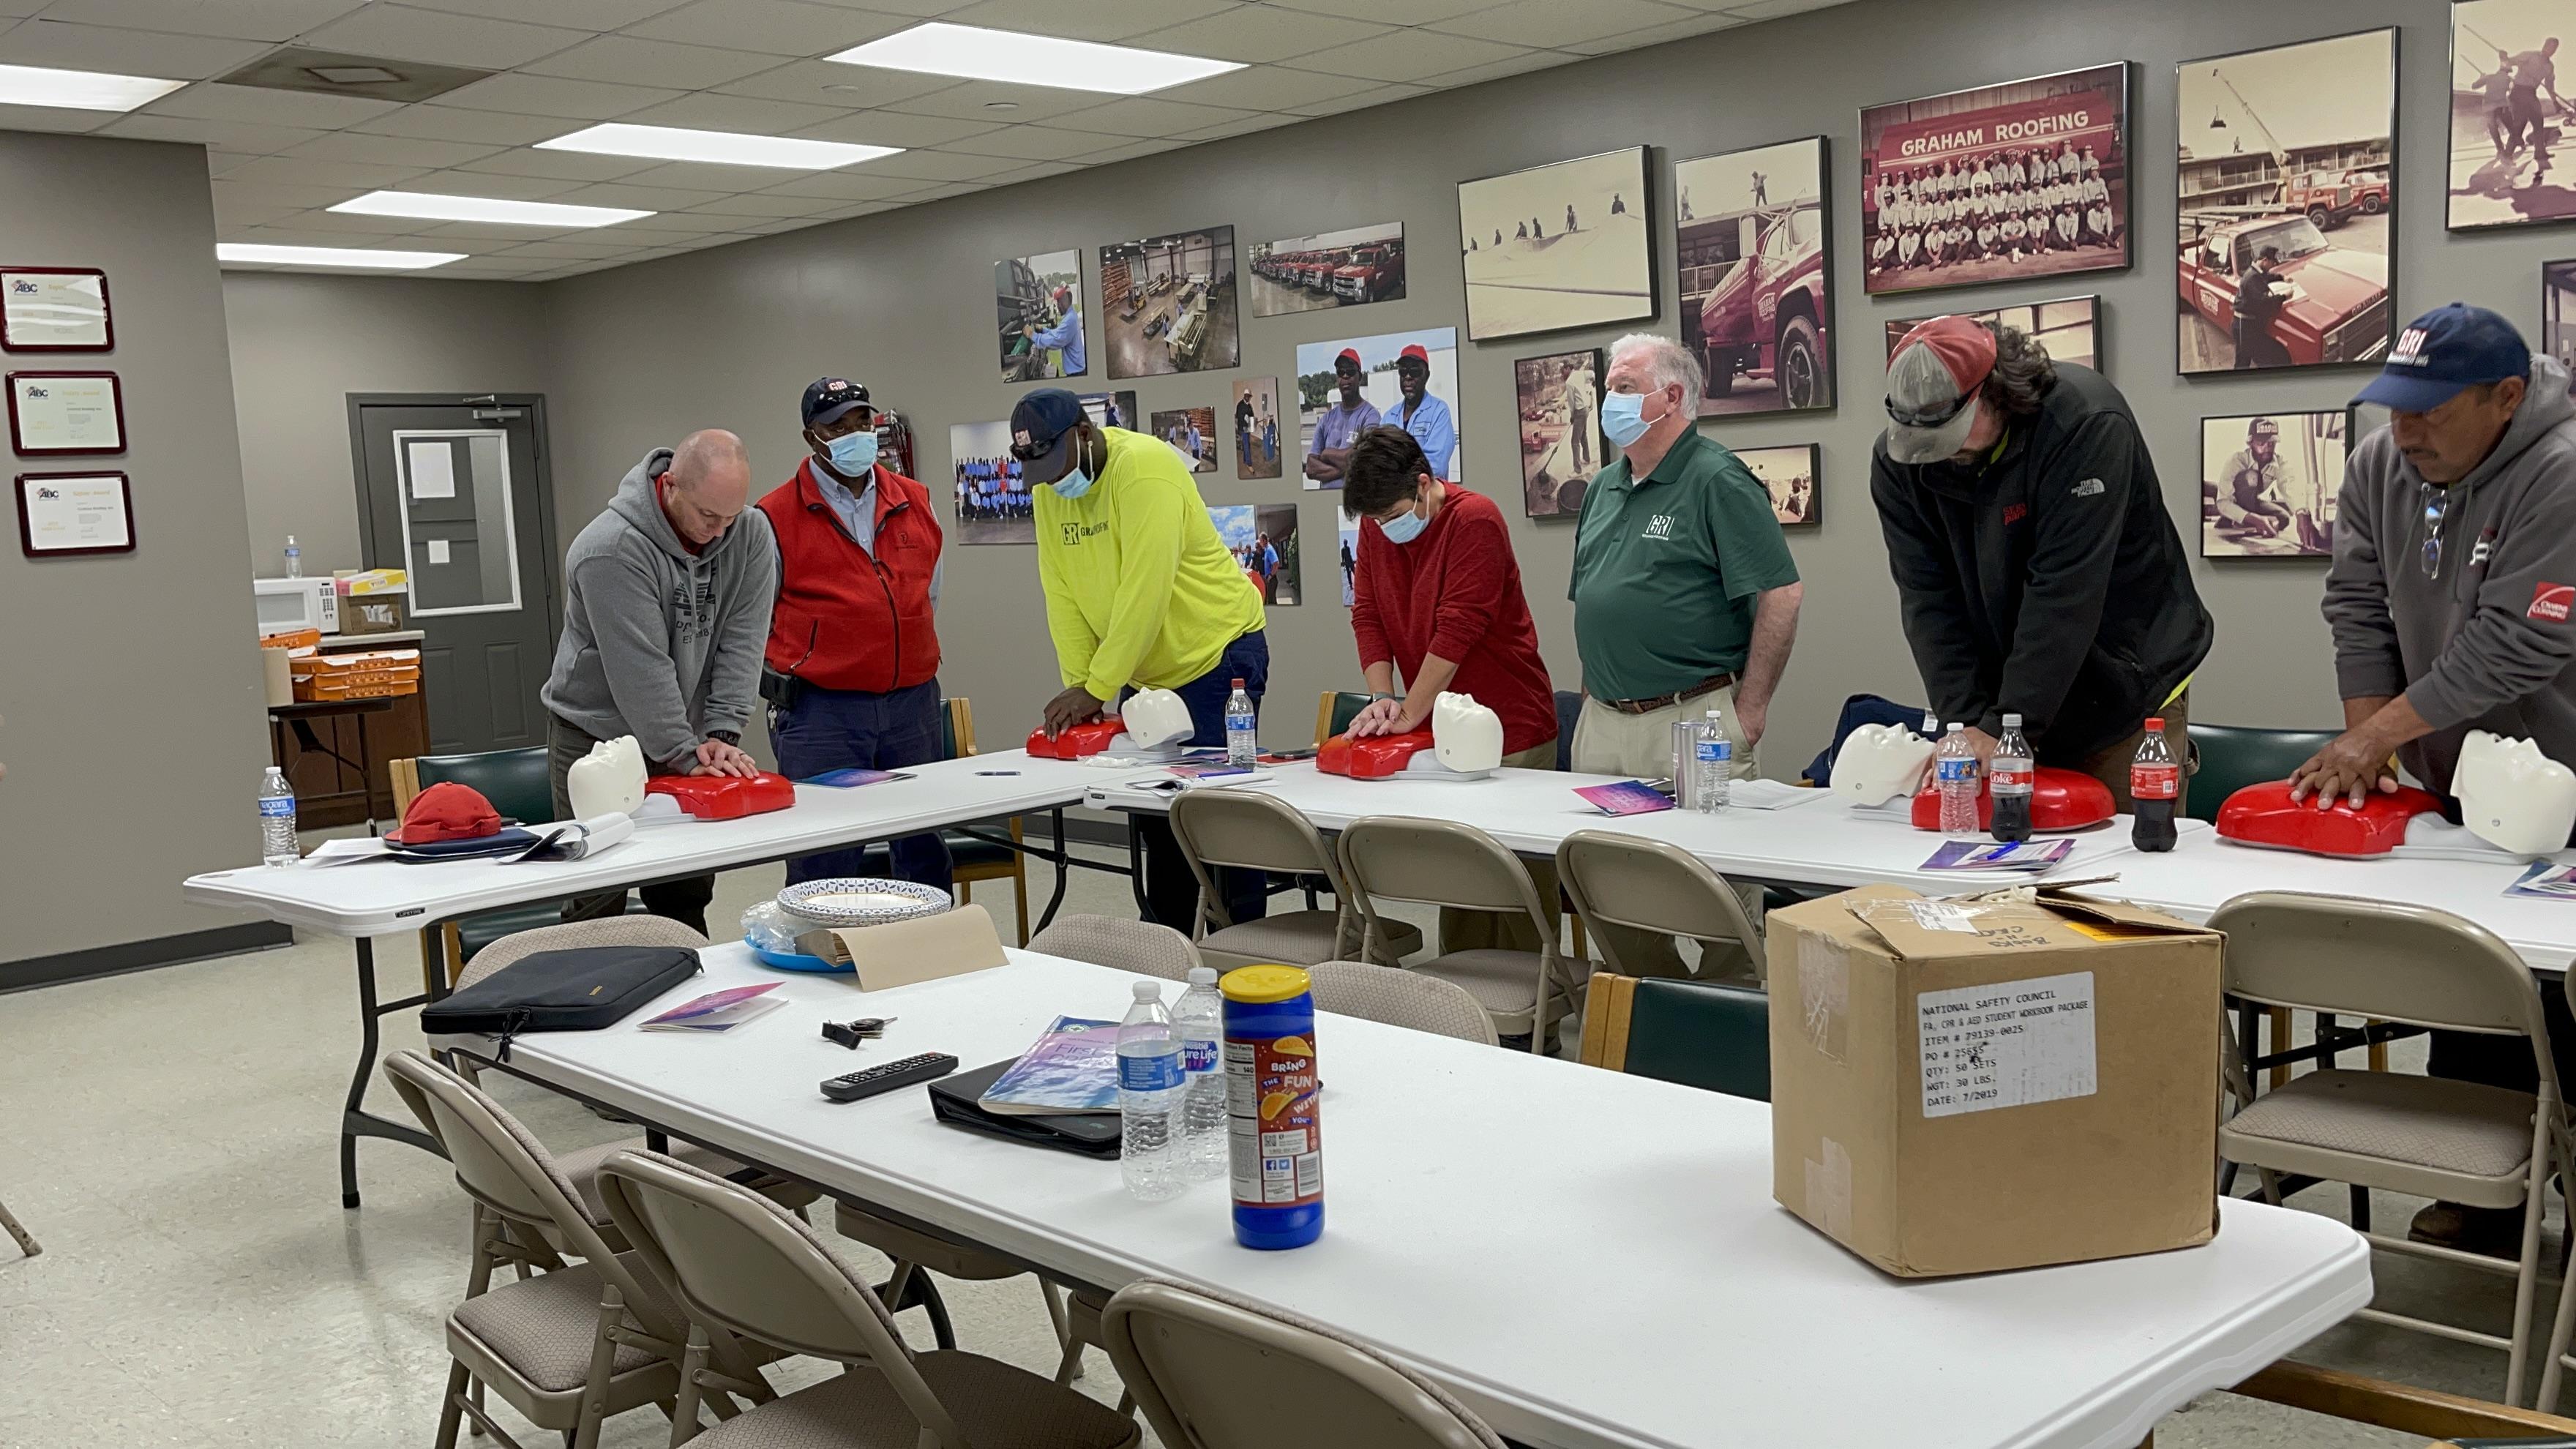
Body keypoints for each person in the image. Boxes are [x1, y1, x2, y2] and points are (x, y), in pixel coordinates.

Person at [2302, 303, 2576, 1255]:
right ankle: (2488, 1193)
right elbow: (2355, 607)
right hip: (2465, 775)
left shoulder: (2561, 467)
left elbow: (2516, 646)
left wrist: (2375, 737)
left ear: (2506, 397)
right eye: (2394, 408)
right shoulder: (2386, 462)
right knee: (2477, 978)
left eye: (2430, 410)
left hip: (2567, 772)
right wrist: (2366, 757)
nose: (2405, 429)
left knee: (2566, 994)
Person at [1873, 315, 2213, 811]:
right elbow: (1928, 600)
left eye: (1952, 435)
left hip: (2122, 688)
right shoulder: (1900, 464)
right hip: (2007, 698)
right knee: (1995, 870)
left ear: (1995, 393)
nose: (1938, 456)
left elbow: (2064, 593)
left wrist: (2010, 725)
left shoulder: (2085, 426)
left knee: (2121, 872)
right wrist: (1968, 726)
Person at [1570, 334, 1803, 976]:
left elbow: (1781, 593)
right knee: (1615, 903)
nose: (1608, 401)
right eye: (1608, 387)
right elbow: (1594, 602)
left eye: (1623, 387)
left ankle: (1720, 1049)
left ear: (1671, 397)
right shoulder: (1603, 489)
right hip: (1606, 724)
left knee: (1721, 906)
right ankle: (1651, 1035)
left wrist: (1749, 710)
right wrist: (1593, 697)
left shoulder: (1716, 477)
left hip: (1692, 719)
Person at [1013, 389, 1270, 931]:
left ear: (1085, 434)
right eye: (1040, 474)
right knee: (1157, 819)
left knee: (1215, 816)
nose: (1055, 483)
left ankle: (1245, 946)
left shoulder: (1147, 469)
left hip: (1216, 656)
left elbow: (1145, 590)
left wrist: (1098, 685)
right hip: (1147, 672)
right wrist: (1081, 686)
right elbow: (1060, 591)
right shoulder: (1049, 489)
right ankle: (1171, 948)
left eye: (1057, 467)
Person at [542, 430, 776, 933]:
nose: (718, 532)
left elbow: (743, 639)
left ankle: (687, 994)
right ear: (670, 486)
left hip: (688, 732)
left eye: (731, 517)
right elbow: (641, 672)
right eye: (708, 516)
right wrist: (690, 755)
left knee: (685, 889)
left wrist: (722, 736)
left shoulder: (751, 534)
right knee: (596, 892)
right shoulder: (609, 550)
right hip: (596, 735)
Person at [1344, 424, 1560, 954]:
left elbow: (1456, 630)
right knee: (1462, 879)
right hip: (1443, 728)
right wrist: (1382, 699)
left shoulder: (1474, 519)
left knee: (1518, 885)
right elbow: (1368, 613)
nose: (1383, 528)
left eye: (1392, 516)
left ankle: (1542, 1016)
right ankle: (1468, 1009)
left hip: (1510, 726)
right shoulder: (1378, 526)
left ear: (1424, 485)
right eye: (1374, 520)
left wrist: (1409, 714)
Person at [755, 378, 950, 892]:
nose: (854, 434)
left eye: (861, 421)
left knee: (923, 845)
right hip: (824, 711)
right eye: (836, 426)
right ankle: (819, 959)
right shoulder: (773, 516)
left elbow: (928, 594)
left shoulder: (914, 500)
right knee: (826, 855)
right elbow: (753, 619)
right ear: (811, 437)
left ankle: (933, 959)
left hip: (912, 705)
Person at [1303, 347, 1381, 486]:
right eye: (1341, 372)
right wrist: (1348, 468)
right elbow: (1310, 468)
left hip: (1356, 501)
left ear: (1360, 377)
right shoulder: (1326, 419)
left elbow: (1363, 459)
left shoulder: (1370, 416)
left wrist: (1326, 454)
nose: (1345, 376)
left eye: (1350, 371)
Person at [1380, 342, 1457, 478]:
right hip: (1395, 499)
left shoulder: (1439, 412)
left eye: (1415, 371)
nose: (1408, 377)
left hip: (1428, 498)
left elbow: (1435, 467)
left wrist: (1395, 473)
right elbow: (1379, 463)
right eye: (1403, 372)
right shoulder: (1389, 417)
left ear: (1427, 375)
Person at [2215, 417, 2295, 539]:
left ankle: (2245, 522)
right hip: (2234, 500)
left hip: (2253, 502)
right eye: (2261, 443)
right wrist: (2255, 520)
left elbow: (2291, 489)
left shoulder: (2279, 463)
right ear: (2250, 442)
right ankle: (2233, 517)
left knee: (2284, 518)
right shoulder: (2236, 461)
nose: (2267, 448)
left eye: (2271, 443)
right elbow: (2223, 502)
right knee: (2251, 476)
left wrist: (2301, 512)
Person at [2236, 245, 2294, 370]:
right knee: (2243, 361)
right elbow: (2264, 304)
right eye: (2272, 263)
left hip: (2251, 323)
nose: (2273, 266)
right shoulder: (2252, 277)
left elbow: (2268, 277)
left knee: (2257, 354)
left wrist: (2282, 278)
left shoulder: (2256, 272)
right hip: (2244, 324)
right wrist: (2284, 297)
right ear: (2265, 260)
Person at [1022, 285, 1085, 378]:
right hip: (1077, 370)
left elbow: (1055, 340)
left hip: (1076, 374)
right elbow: (1058, 333)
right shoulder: (1071, 315)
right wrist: (1043, 330)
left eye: (1058, 301)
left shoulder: (1070, 320)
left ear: (1065, 300)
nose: (1058, 306)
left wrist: (1032, 335)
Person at [1562, 357, 1595, 473]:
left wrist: (1572, 416)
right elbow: (1592, 373)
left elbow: (1571, 403)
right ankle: (1587, 459)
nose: (1563, 373)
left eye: (1564, 370)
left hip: (1579, 412)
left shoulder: (1569, 382)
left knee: (1574, 442)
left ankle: (1577, 469)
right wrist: (1594, 379)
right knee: (1583, 436)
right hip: (1585, 409)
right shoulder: (1580, 374)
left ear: (1568, 368)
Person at [1235, 390, 1256, 470]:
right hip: (1242, 428)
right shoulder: (1240, 405)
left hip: (1248, 427)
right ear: (1244, 395)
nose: (1248, 398)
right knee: (1247, 445)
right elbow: (1238, 416)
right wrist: (1244, 417)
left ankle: (1244, 460)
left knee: (1246, 444)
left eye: (1249, 397)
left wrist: (1252, 420)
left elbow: (1252, 415)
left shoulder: (1249, 405)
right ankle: (1249, 464)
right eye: (1247, 396)